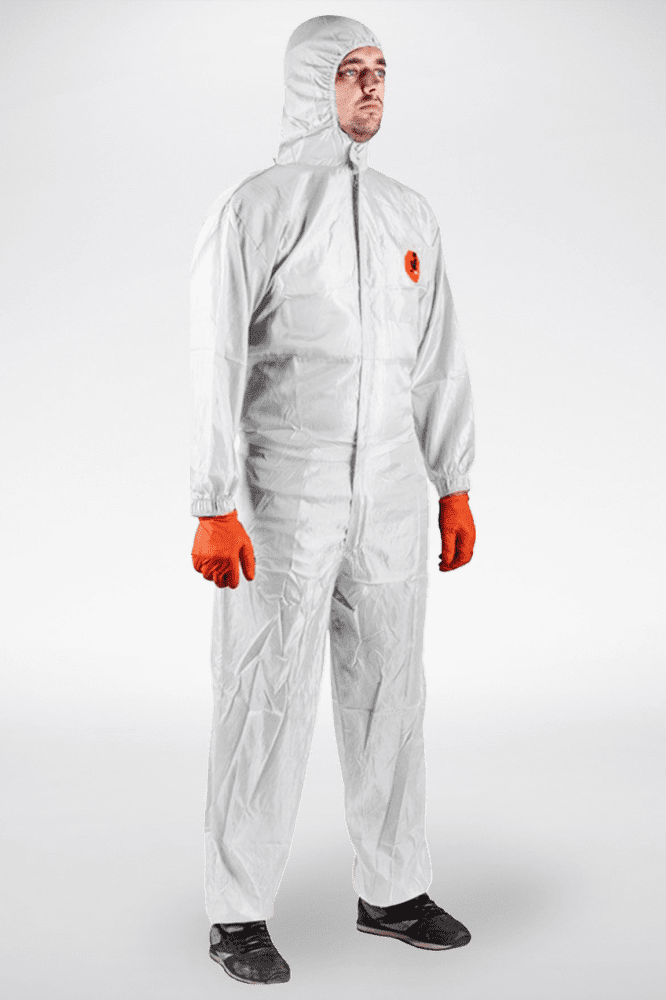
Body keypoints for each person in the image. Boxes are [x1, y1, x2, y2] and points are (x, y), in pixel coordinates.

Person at [190, 14, 476, 986]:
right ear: (311, 84)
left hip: (391, 491)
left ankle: (393, 891)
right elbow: (216, 358)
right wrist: (213, 500)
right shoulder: (257, 208)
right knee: (262, 692)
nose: (372, 87)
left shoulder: (408, 214)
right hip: (284, 492)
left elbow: (438, 361)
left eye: (381, 71)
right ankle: (237, 912)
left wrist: (454, 483)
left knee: (392, 689)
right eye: (352, 71)